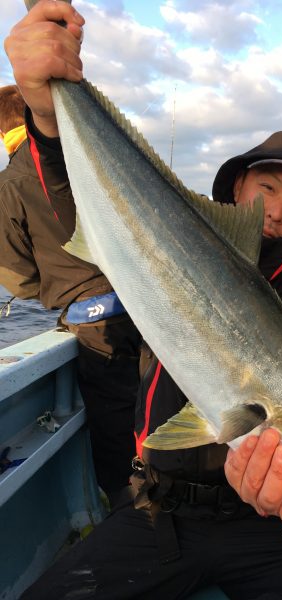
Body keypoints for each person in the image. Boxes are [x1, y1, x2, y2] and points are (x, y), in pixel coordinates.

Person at [6, 3, 282, 599]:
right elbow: (69, 222)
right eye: (268, 188)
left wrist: (273, 475)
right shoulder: (163, 247)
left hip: (269, 528)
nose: (278, 211)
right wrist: (46, 116)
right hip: (156, 514)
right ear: (238, 187)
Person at [0, 82, 142, 507]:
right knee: (156, 411)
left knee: (117, 433)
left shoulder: (12, 183)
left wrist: (51, 285)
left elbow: (17, 277)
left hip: (97, 323)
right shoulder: (92, 164)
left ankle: (133, 520)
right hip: (146, 305)